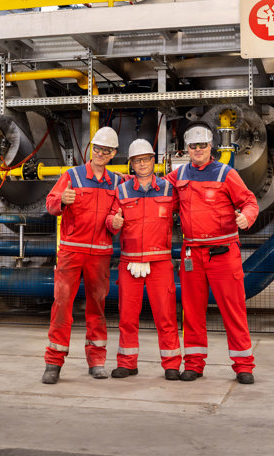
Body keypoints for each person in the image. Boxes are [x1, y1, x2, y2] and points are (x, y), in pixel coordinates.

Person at [165, 125, 260, 385]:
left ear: (211, 147)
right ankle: (194, 364)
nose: (198, 150)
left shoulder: (226, 174)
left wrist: (247, 217)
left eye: (203, 146)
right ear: (187, 149)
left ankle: (243, 366)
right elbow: (157, 193)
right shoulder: (178, 175)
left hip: (223, 253)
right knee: (192, 312)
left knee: (234, 310)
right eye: (193, 146)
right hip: (191, 255)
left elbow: (250, 201)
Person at [41, 126, 122, 384]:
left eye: (106, 150)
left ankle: (97, 360)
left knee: (96, 306)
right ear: (91, 150)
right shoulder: (72, 176)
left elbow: (115, 215)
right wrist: (62, 200)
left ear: (113, 154)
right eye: (97, 148)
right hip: (71, 251)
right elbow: (51, 204)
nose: (100, 153)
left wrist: (114, 223)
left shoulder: (117, 182)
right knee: (62, 304)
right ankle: (53, 362)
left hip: (99, 254)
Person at [106, 139, 181, 381]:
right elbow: (110, 217)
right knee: (127, 316)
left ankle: (171, 364)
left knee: (165, 315)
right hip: (129, 263)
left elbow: (188, 209)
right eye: (137, 161)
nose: (142, 164)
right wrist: (112, 223)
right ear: (131, 165)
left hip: (160, 262)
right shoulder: (122, 191)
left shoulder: (170, 190)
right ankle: (127, 363)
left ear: (153, 161)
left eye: (146, 159)